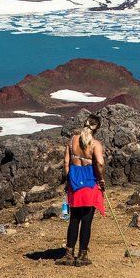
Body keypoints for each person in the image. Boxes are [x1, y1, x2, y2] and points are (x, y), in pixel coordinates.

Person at [56, 114, 106, 267]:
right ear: (96, 128)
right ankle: (82, 255)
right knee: (87, 220)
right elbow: (100, 162)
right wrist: (101, 178)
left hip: (74, 181)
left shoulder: (72, 141)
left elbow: (66, 161)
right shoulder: (95, 144)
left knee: (74, 219)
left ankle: (68, 254)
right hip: (90, 182)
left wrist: (69, 178)